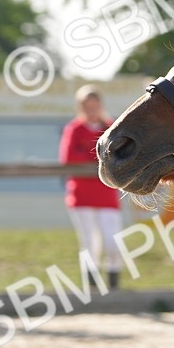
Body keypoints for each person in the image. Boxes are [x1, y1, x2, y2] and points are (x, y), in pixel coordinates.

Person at [58, 85, 122, 290]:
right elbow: (68, 158)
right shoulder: (74, 129)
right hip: (82, 193)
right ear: (81, 107)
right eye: (87, 106)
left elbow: (117, 156)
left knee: (112, 242)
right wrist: (94, 158)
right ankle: (92, 288)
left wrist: (86, 155)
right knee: (89, 243)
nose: (91, 110)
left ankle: (113, 282)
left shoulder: (110, 127)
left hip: (106, 193)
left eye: (94, 106)